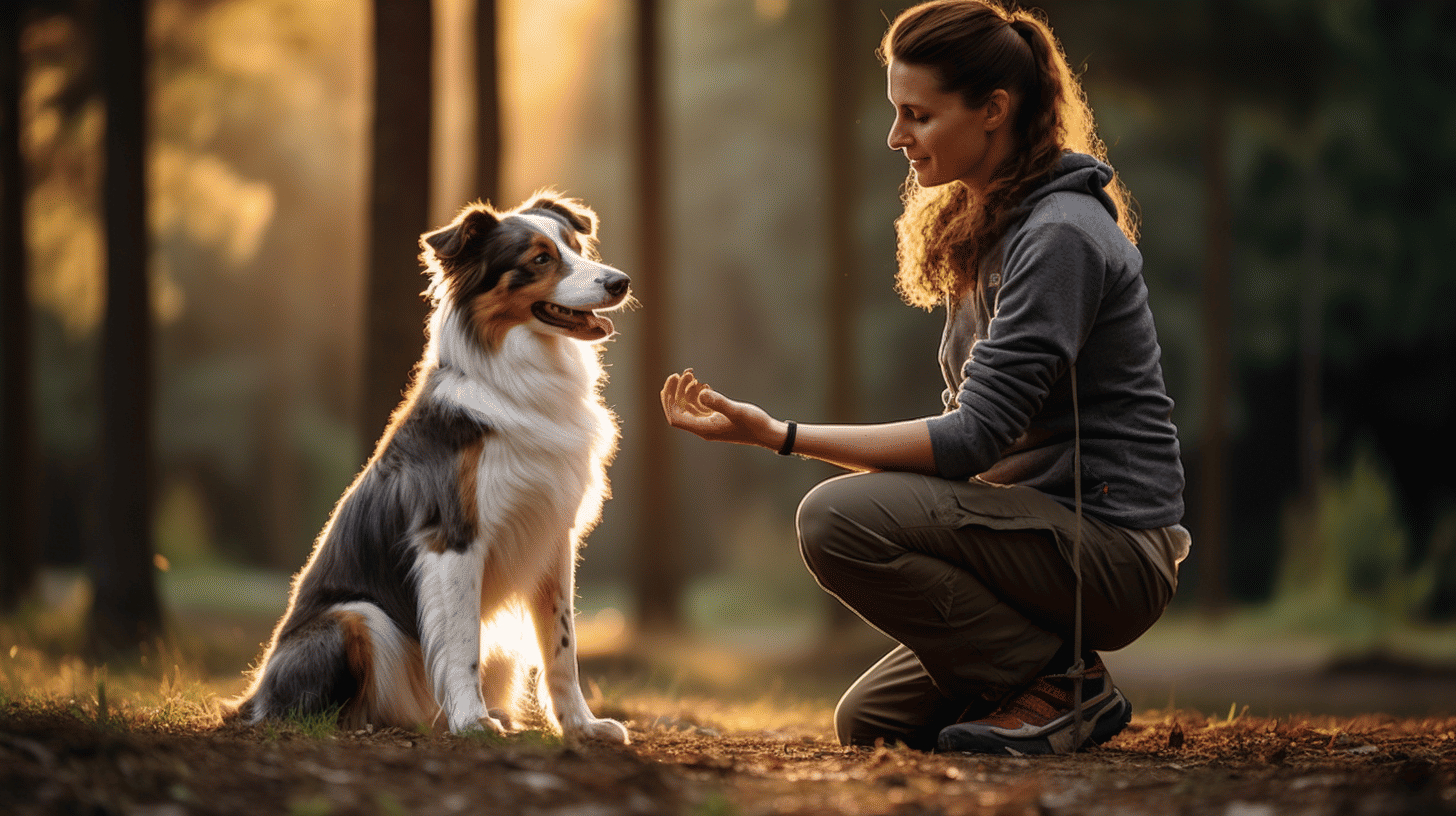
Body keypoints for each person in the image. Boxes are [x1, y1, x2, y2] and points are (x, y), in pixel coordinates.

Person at [660, 0, 1189, 756]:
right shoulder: (984, 229)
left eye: (917, 115)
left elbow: (972, 439)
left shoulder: (1060, 236)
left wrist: (782, 436)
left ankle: (1063, 684)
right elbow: (967, 436)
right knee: (872, 722)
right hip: (1032, 543)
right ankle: (1041, 681)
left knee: (833, 519)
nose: (895, 136)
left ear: (993, 111)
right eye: (894, 112)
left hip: (1113, 552)